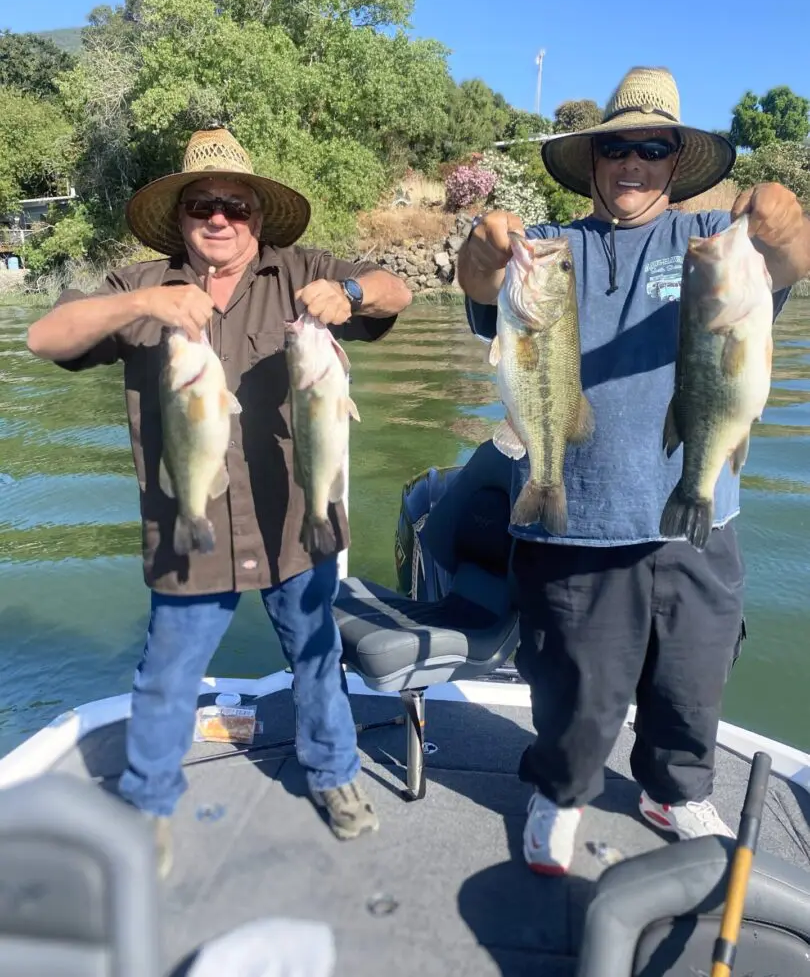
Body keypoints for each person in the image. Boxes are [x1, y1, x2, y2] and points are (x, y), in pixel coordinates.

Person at [27, 125, 412, 874]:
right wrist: (144, 303)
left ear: (257, 217)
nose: (220, 218)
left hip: (299, 523)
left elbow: (396, 291)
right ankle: (149, 804)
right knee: (167, 675)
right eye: (204, 203)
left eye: (236, 205)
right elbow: (47, 337)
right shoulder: (139, 287)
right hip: (191, 523)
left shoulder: (305, 271)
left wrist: (354, 292)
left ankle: (334, 776)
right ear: (182, 216)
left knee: (317, 657)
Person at [457, 66, 810, 876]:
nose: (632, 162)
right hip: (573, 518)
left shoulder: (714, 245)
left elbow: (793, 257)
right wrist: (483, 252)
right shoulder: (553, 248)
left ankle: (673, 789)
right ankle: (560, 791)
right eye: (616, 147)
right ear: (592, 161)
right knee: (574, 689)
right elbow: (480, 288)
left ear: (673, 162)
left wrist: (785, 221)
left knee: (693, 680)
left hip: (698, 513)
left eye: (652, 149)